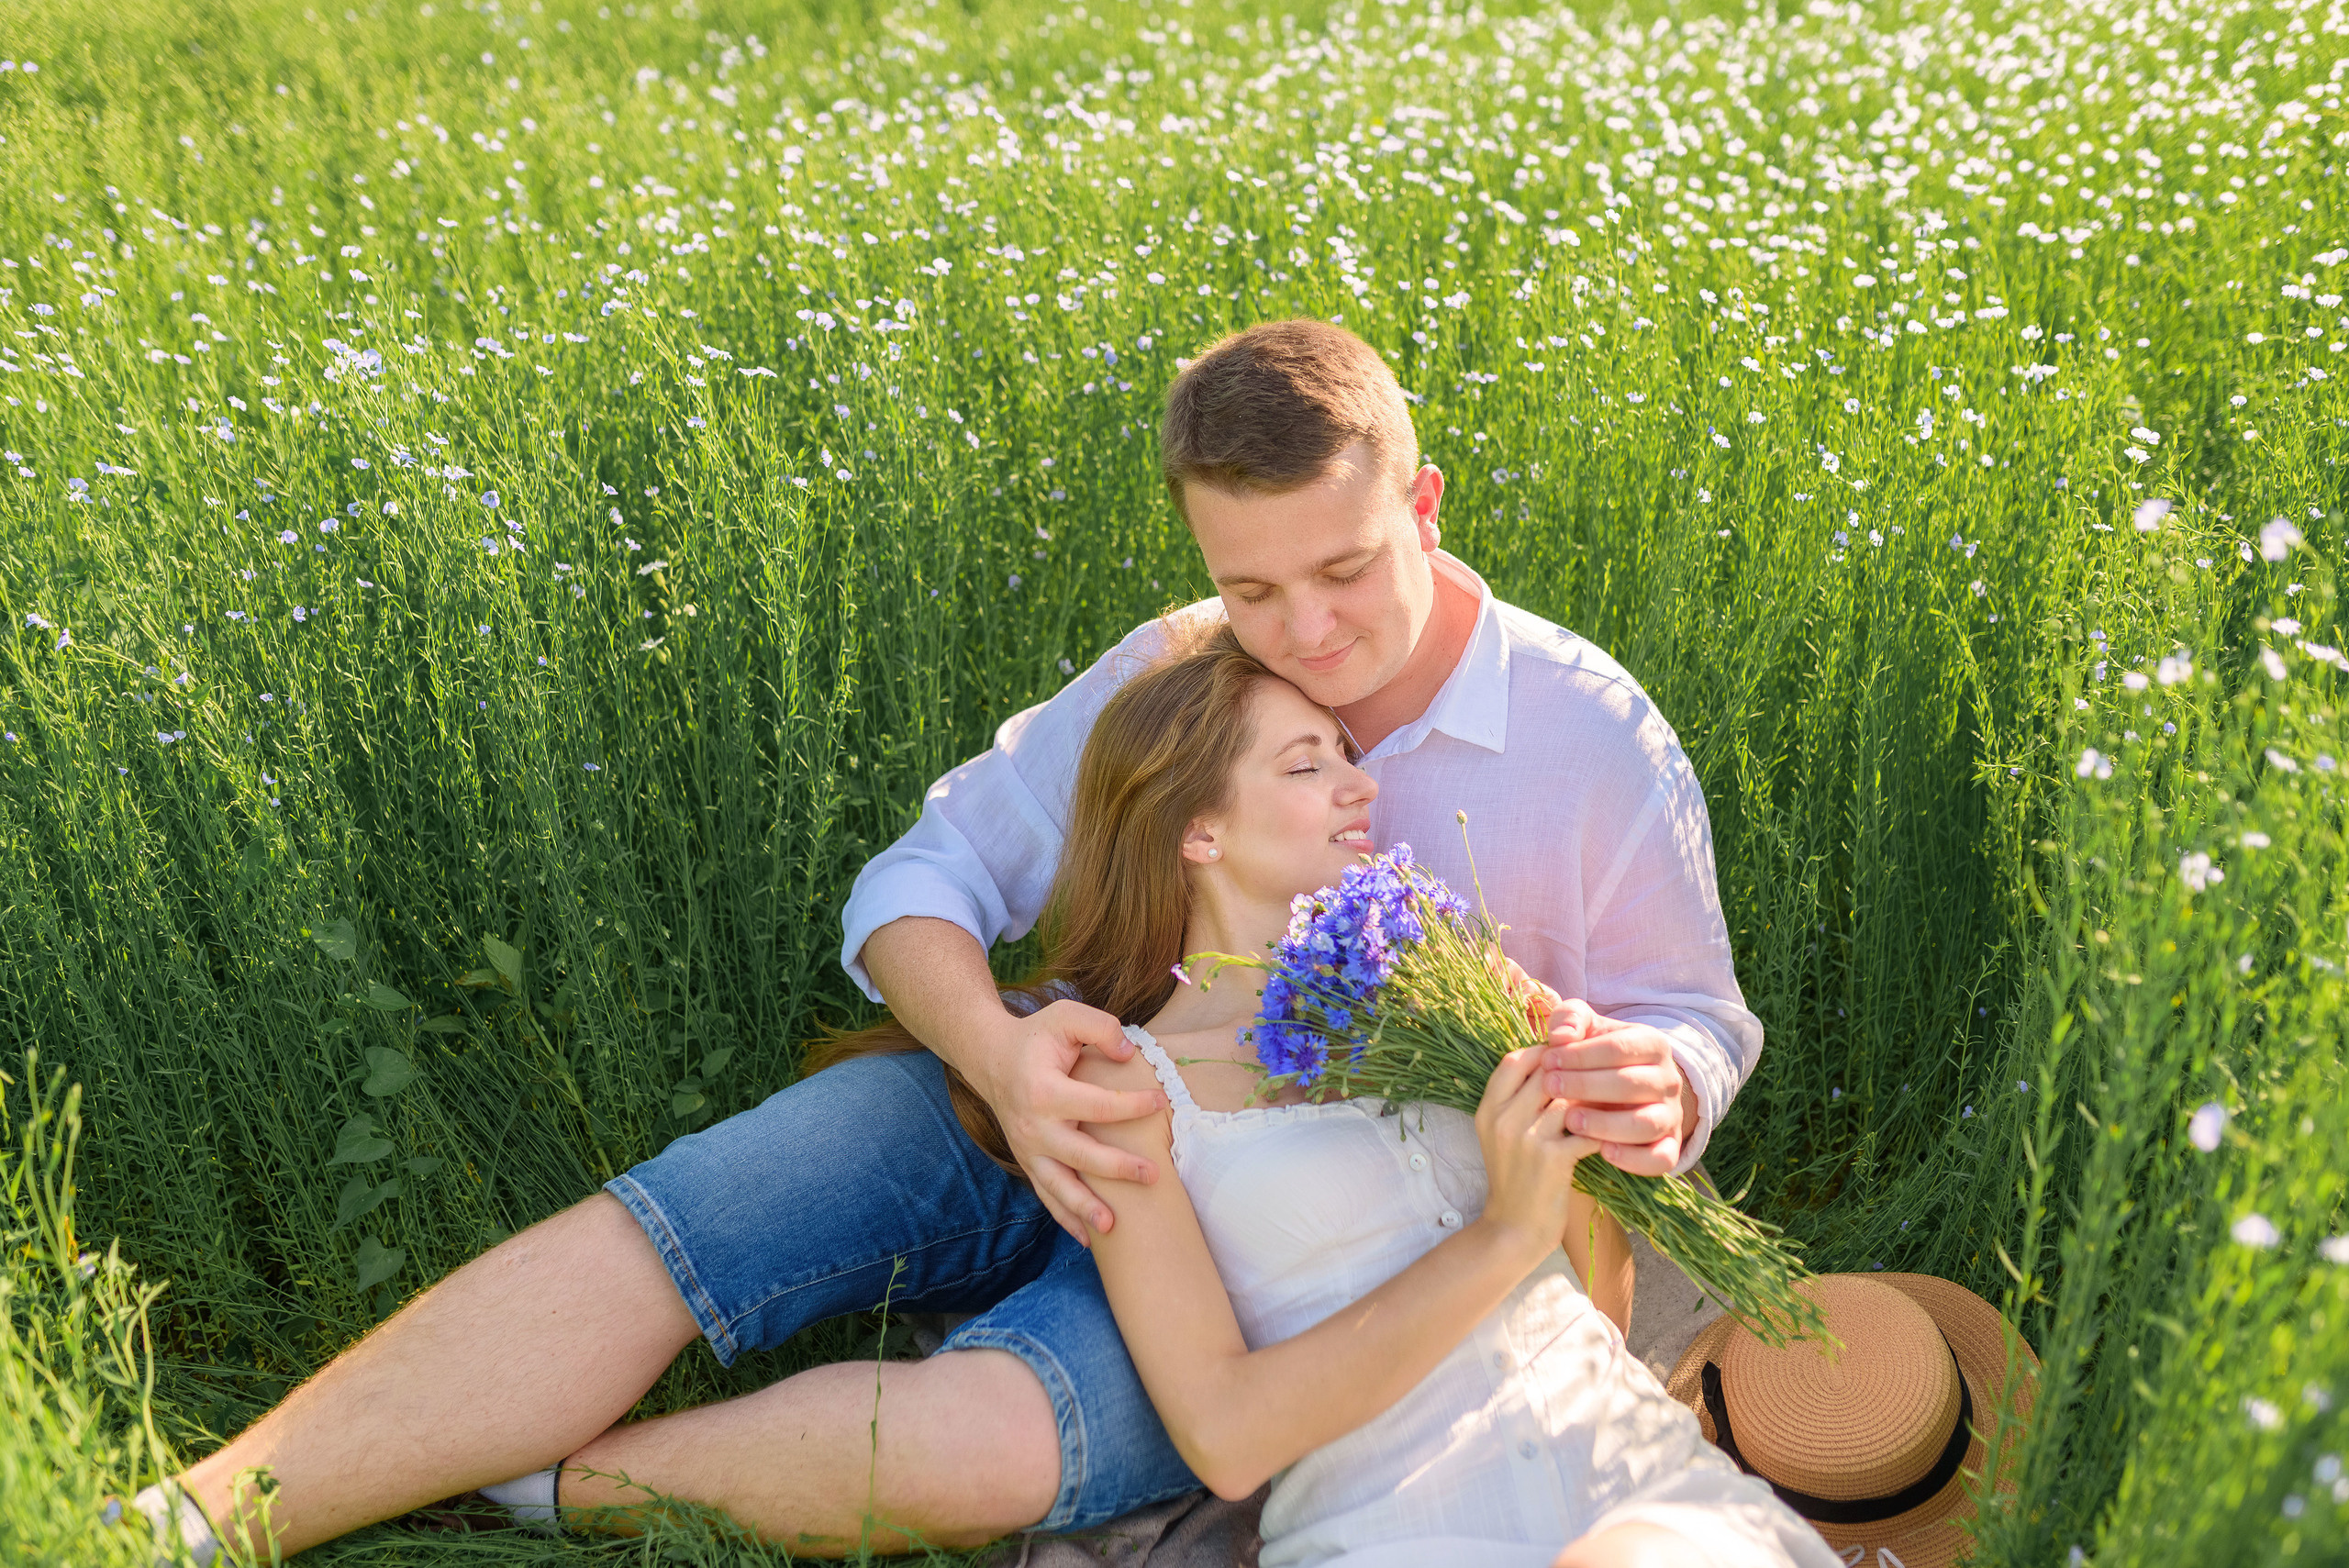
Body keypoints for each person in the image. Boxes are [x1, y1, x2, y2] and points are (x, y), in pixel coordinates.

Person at [137, 319, 1763, 1562]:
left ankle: (554, 1478)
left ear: (1423, 501)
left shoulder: (1583, 734)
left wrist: (1646, 1077)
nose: (1308, 634)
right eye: (1252, 588)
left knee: (1007, 1434)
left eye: (1344, 569)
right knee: (719, 1209)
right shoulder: (1189, 669)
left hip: (1288, 1257)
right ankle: (195, 1510)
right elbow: (915, 882)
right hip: (1070, 1084)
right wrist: (1005, 1056)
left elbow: (1693, 1016)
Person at [998, 624, 1836, 1566]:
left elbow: (1598, 1306)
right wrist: (1502, 1234)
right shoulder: (1131, 1080)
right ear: (1199, 827)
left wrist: (1567, 1137)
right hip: (1396, 1532)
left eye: (1347, 757)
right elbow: (1224, 1436)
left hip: (1644, 1483)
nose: (1361, 786)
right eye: (1305, 765)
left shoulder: (1448, 986)